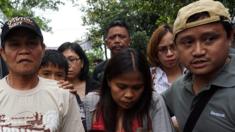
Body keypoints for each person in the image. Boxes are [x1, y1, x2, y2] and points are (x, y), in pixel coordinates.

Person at [0, 16, 84, 131]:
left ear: (43, 49)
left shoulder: (63, 95)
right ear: (3, 53)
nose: (24, 51)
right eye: (15, 44)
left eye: (31, 43)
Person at [162, 0, 235, 131]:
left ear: (229, 37)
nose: (198, 51)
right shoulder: (178, 89)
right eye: (188, 42)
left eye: (209, 39)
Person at [85, 48, 175, 132]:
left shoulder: (154, 102)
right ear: (109, 80)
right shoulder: (93, 102)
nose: (129, 95)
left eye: (137, 88)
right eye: (121, 87)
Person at [58, 42, 95, 130]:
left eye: (72, 59)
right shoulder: (54, 87)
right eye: (63, 60)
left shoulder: (96, 87)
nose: (68, 64)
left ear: (82, 63)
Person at [92, 20, 131, 88]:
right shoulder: (99, 70)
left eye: (122, 37)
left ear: (129, 41)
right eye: (112, 37)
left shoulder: (140, 66)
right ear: (107, 43)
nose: (117, 41)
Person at [147, 24, 183, 94]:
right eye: (163, 49)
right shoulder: (148, 77)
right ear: (155, 53)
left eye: (173, 46)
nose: (169, 54)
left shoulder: (191, 72)